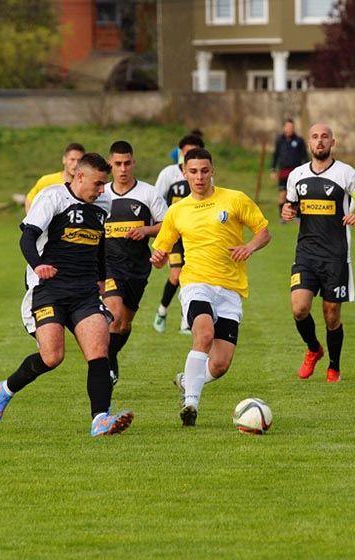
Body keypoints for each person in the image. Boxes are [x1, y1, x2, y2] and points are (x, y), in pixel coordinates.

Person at [0, 153, 134, 437]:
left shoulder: (103, 204)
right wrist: (38, 265)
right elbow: (27, 237)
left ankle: (100, 419)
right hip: (49, 290)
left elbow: (99, 242)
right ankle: (6, 389)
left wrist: (101, 278)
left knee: (98, 352)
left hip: (85, 292)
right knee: (52, 357)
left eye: (105, 184)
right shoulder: (51, 198)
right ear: (79, 177)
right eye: (99, 183)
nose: (103, 190)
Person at [150, 147, 271, 427]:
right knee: (203, 334)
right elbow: (161, 252)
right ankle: (191, 404)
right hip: (196, 283)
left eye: (205, 171)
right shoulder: (177, 211)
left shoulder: (235, 199)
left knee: (219, 365)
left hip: (230, 289)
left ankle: (186, 381)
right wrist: (158, 257)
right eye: (193, 171)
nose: (199, 177)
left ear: (212, 170)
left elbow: (264, 231)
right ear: (184, 173)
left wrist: (249, 247)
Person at [282, 124, 355, 383]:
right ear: (308, 143)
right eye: (314, 137)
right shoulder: (297, 175)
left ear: (332, 141)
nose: (319, 141)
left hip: (335, 256)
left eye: (324, 137)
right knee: (299, 308)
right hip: (306, 254)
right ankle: (313, 349)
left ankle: (334, 366)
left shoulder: (346, 173)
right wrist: (288, 212)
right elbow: (292, 206)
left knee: (331, 314)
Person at [103, 140, 168, 386]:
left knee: (124, 323)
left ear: (134, 163)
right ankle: (107, 364)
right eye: (117, 164)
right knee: (115, 314)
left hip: (137, 269)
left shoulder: (148, 193)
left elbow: (166, 225)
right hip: (108, 266)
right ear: (110, 164)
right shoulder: (102, 194)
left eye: (127, 163)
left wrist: (146, 230)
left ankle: (112, 354)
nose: (122, 169)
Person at [152, 133, 205, 335]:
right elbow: (156, 201)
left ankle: (185, 321)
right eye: (186, 153)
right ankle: (162, 310)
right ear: (180, 153)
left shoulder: (205, 176)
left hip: (195, 236)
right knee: (176, 275)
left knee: (192, 276)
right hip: (175, 235)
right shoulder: (168, 174)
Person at [24, 142, 86, 212]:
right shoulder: (47, 181)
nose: (76, 164)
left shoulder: (85, 185)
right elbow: (29, 200)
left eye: (79, 161)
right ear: (64, 160)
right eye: (72, 159)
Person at [270, 118, 308, 223]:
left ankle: (298, 216)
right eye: (288, 127)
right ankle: (282, 217)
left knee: (299, 194)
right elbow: (275, 156)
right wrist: (273, 169)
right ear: (284, 127)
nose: (290, 129)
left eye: (292, 127)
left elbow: (305, 156)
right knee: (282, 195)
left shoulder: (299, 141)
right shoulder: (280, 140)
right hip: (284, 171)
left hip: (296, 171)